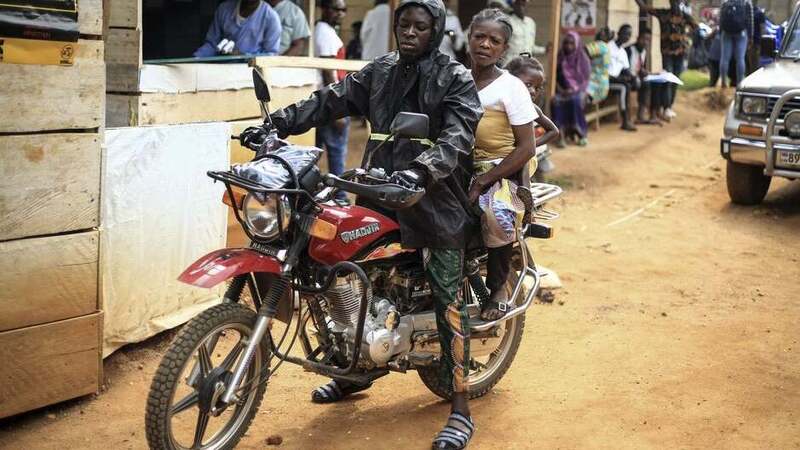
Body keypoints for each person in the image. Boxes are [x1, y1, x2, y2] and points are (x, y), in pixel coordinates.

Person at [244, 1, 483, 448]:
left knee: (447, 293)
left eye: (420, 26)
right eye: (404, 25)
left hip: (434, 198)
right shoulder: (382, 69)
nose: (409, 32)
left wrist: (421, 169)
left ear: (437, 31)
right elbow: (328, 101)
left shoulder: (455, 77)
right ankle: (357, 371)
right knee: (346, 275)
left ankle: (461, 406)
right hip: (377, 188)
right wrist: (277, 122)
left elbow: (458, 135)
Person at [466, 9, 537, 323]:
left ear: (504, 49)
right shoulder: (456, 79)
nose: (485, 44)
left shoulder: (511, 87)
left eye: (494, 41)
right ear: (469, 39)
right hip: (461, 163)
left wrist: (484, 181)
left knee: (496, 212)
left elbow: (526, 147)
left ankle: (498, 288)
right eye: (479, 37)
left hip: (503, 165)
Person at [636, 0, 697, 118]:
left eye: (677, 2)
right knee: (668, 79)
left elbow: (696, 27)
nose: (675, 4)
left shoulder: (685, 16)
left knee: (675, 80)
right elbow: (644, 8)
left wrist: (685, 39)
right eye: (673, 2)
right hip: (667, 53)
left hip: (680, 53)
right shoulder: (663, 14)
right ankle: (666, 108)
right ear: (670, 3)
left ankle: (668, 107)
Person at [315, 0, 350, 202]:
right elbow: (328, 72)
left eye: (343, 10)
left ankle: (319, 194)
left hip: (323, 101)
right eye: (336, 9)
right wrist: (338, 109)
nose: (340, 14)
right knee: (337, 152)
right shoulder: (325, 32)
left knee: (317, 151)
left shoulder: (324, 30)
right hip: (330, 102)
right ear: (324, 9)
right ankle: (341, 197)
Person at [195, 0, 282, 57]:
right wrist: (196, 58)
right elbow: (212, 44)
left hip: (251, 72)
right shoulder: (224, 9)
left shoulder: (271, 17)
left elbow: (271, 55)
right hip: (222, 69)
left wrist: (243, 56)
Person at [551, 31, 591, 147]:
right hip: (562, 91)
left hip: (580, 91)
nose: (568, 46)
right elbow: (555, 78)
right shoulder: (560, 58)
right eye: (566, 43)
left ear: (577, 44)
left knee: (575, 101)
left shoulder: (583, 59)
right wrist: (562, 90)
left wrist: (573, 90)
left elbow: (585, 81)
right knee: (556, 101)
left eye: (572, 43)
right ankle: (560, 135)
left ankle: (580, 133)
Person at [626, 28, 668, 124]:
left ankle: (654, 113)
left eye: (648, 40)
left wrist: (652, 73)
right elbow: (626, 68)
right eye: (644, 39)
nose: (645, 42)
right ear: (638, 38)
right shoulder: (629, 50)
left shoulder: (643, 51)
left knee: (658, 82)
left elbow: (641, 68)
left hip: (638, 76)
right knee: (646, 84)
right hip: (629, 78)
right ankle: (640, 115)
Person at [607, 24, 637, 131]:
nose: (627, 37)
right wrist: (621, 79)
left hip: (616, 80)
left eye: (629, 35)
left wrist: (633, 77)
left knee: (629, 83)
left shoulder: (623, 52)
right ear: (619, 33)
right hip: (606, 79)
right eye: (625, 33)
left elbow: (626, 70)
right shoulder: (609, 46)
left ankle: (628, 118)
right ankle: (625, 120)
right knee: (624, 87)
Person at [719, 0, 754, 87]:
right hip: (741, 32)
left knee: (724, 58)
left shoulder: (725, 2)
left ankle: (723, 82)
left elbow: (720, 19)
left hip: (726, 33)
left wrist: (721, 33)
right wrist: (750, 36)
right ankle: (740, 83)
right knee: (740, 59)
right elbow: (750, 20)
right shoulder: (746, 2)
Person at [585, 27, 612, 104]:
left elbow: (584, 50)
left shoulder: (601, 45)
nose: (598, 33)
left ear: (605, 37)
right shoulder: (607, 47)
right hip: (602, 85)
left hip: (594, 86)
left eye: (601, 32)